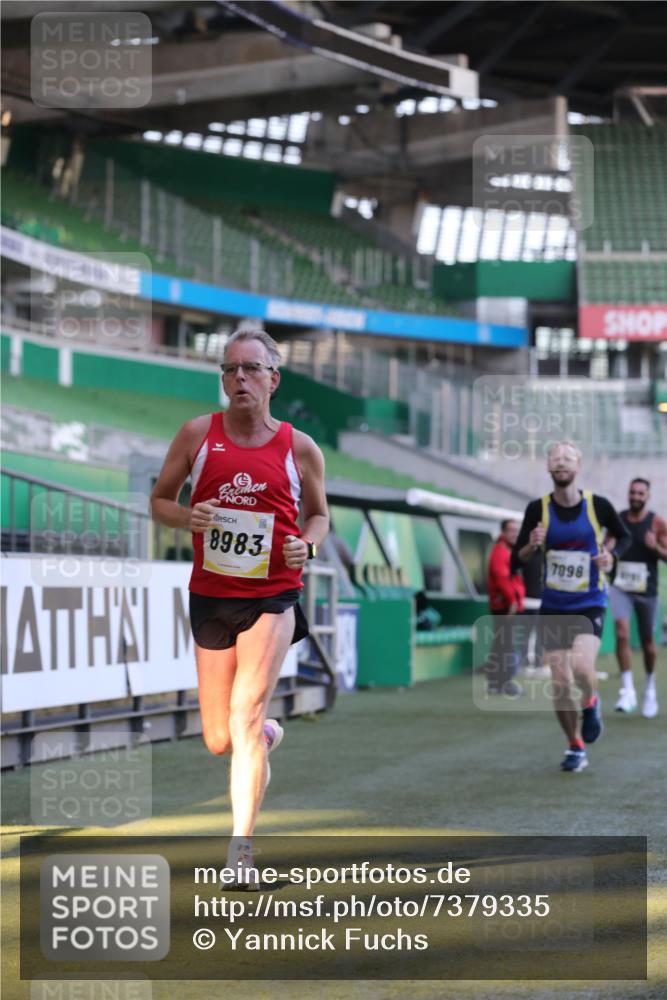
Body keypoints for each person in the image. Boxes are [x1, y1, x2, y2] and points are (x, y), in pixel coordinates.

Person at [150, 328, 329, 884]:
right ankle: (266, 735)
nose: (239, 378)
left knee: (244, 718)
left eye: (251, 368)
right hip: (211, 594)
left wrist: (308, 546)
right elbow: (159, 502)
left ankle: (240, 855)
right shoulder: (197, 435)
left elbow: (319, 515)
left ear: (273, 379)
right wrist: (189, 516)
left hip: (272, 594)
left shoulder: (300, 447)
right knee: (219, 739)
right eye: (230, 369)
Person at [514, 442, 630, 773]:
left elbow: (623, 537)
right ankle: (575, 745)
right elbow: (518, 556)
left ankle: (590, 702)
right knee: (560, 682)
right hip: (554, 604)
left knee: (581, 667)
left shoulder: (598, 505)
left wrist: (611, 556)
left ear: (578, 466)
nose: (561, 463)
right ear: (548, 467)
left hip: (589, 602)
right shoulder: (537, 509)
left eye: (567, 458)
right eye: (556, 459)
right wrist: (531, 546)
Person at [610, 478, 667, 718]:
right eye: (632, 492)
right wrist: (608, 547)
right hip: (621, 587)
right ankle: (628, 690)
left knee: (648, 644)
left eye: (640, 493)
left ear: (648, 496)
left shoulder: (656, 522)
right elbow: (607, 546)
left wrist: (655, 547)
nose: (635, 496)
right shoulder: (618, 519)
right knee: (622, 633)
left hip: (647, 591)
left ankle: (650, 688)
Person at [484, 519, 525, 695]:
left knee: (501, 644)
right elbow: (502, 579)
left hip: (507, 604)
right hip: (505, 605)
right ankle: (504, 682)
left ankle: (495, 682)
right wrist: (512, 601)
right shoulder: (500, 551)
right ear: (503, 532)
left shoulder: (507, 550)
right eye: (511, 530)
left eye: (517, 530)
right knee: (505, 645)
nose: (515, 533)